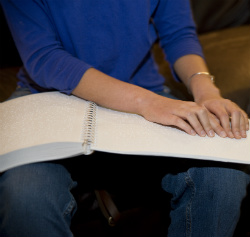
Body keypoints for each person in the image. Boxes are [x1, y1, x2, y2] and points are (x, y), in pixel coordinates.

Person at [0, 0, 249, 237]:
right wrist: (147, 102)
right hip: (48, 95)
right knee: (25, 197)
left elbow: (179, 34)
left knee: (224, 177)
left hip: (145, 88)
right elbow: (44, 58)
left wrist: (206, 91)